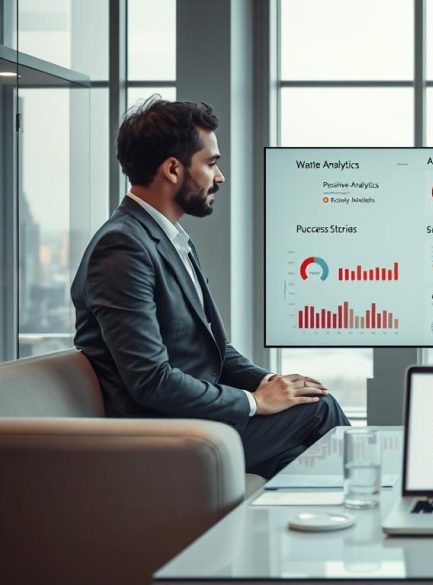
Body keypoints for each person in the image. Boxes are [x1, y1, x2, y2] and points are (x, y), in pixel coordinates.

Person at [71, 97, 349, 477]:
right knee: (321, 410)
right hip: (164, 434)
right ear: (172, 169)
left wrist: (267, 382)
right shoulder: (122, 247)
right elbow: (151, 381)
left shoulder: (167, 239)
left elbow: (213, 350)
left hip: (197, 421)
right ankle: (376, 513)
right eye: (211, 163)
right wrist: (254, 402)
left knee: (302, 447)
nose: (220, 177)